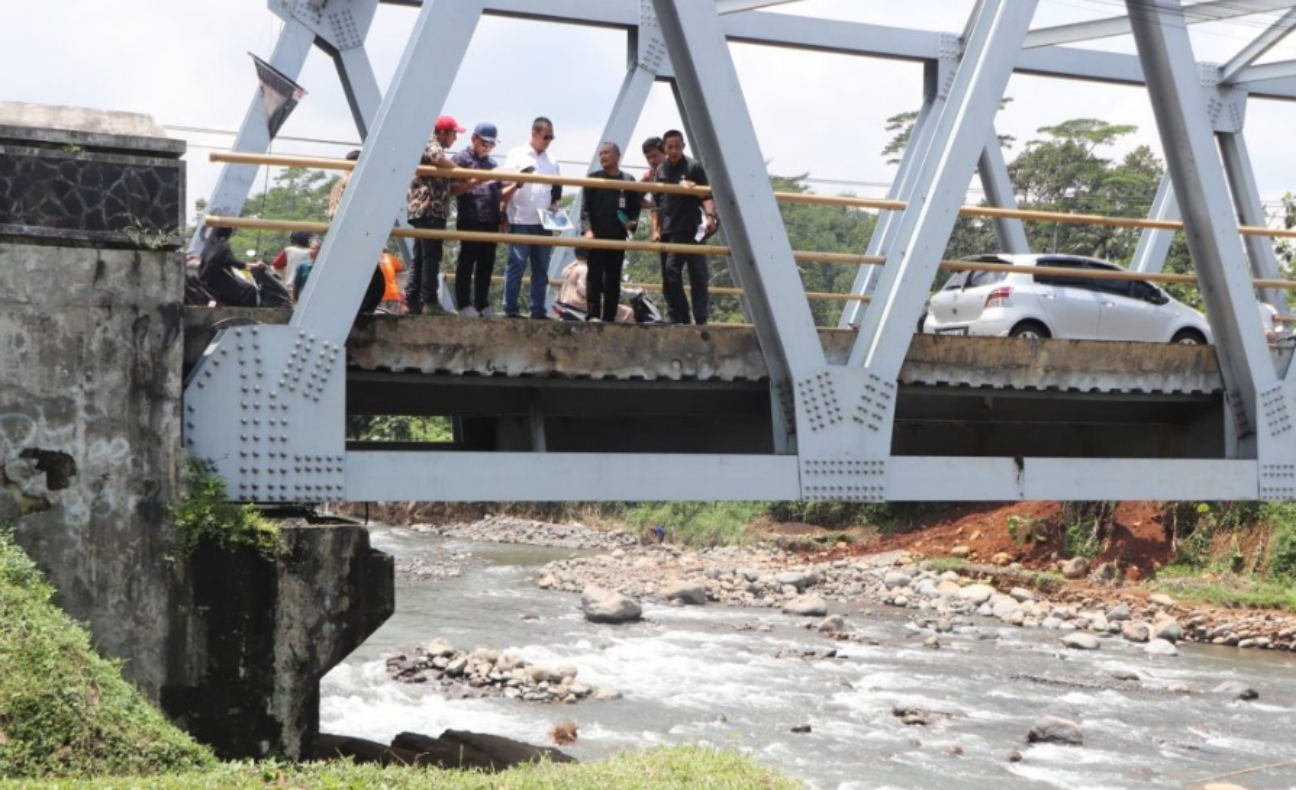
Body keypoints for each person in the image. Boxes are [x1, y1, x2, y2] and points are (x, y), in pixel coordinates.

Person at [653, 130, 716, 325]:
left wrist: (710, 216)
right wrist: (655, 229)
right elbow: (657, 202)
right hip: (668, 228)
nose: (673, 151)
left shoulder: (693, 167)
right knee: (670, 273)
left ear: (683, 147)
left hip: (691, 227)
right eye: (669, 147)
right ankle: (681, 316)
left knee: (697, 273)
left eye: (677, 147)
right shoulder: (660, 170)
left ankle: (700, 317)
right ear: (664, 148)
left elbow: (706, 195)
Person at [501, 117, 562, 319]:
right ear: (534, 134)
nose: (549, 141)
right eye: (546, 137)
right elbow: (504, 185)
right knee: (517, 264)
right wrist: (503, 214)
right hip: (520, 219)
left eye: (551, 137)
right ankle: (510, 308)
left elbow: (557, 189)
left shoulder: (552, 160)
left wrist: (555, 206)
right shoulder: (516, 155)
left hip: (544, 222)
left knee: (541, 268)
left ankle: (537, 309)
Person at [405, 115, 465, 315]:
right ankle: (429, 300)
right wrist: (459, 170)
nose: (455, 139)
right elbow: (437, 158)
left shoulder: (428, 143)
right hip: (430, 208)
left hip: (424, 208)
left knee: (421, 256)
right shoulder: (432, 144)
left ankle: (412, 300)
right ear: (443, 133)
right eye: (454, 134)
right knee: (430, 255)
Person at [580, 142, 640, 322]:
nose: (603, 157)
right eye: (600, 154)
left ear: (617, 155)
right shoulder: (593, 178)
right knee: (594, 276)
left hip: (617, 236)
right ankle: (593, 314)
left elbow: (634, 208)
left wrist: (631, 222)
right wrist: (588, 230)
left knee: (613, 278)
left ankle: (609, 316)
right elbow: (585, 209)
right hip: (596, 236)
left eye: (606, 153)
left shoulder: (628, 180)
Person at [451, 123, 504, 316]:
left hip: (491, 218)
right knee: (467, 260)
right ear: (473, 139)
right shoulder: (460, 158)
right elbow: (452, 189)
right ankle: (464, 303)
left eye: (491, 144)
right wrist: (472, 183)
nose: (487, 147)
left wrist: (517, 184)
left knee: (487, 262)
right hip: (471, 216)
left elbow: (499, 192)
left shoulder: (492, 164)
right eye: (484, 143)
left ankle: (482, 303)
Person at [327, 149, 387, 316]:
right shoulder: (354, 180)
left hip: (342, 239)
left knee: (360, 283)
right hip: (355, 238)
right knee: (376, 285)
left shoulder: (338, 185)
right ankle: (357, 317)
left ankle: (352, 315)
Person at [199, 226, 290, 307]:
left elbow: (230, 262)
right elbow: (236, 263)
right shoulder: (222, 246)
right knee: (250, 290)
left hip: (209, 283)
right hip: (220, 284)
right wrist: (256, 265)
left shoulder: (209, 246)